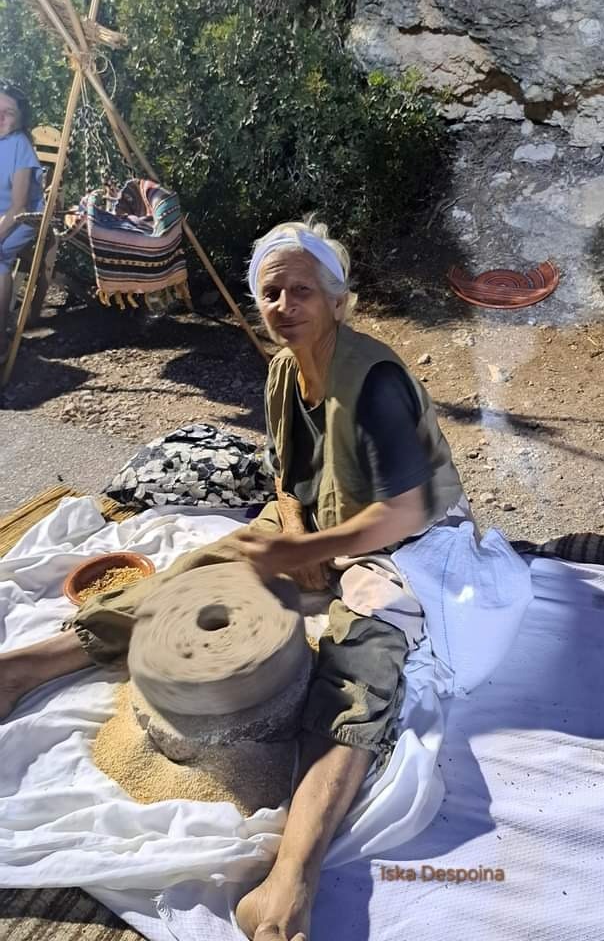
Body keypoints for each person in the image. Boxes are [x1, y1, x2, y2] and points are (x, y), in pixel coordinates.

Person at [0, 218, 467, 941]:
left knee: (363, 660)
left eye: (301, 291)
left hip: (407, 544)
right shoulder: (284, 369)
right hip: (319, 523)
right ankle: (25, 667)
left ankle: (292, 875)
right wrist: (292, 530)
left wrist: (310, 550)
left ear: (337, 299)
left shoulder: (373, 382)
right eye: (271, 292)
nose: (284, 305)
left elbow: (404, 510)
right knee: (197, 574)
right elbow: (285, 475)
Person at [0, 82, 45, 361]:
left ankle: (0, 339)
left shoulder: (19, 145)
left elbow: (19, 206)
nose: (0, 117)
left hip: (23, 218)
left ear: (20, 119)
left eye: (8, 112)